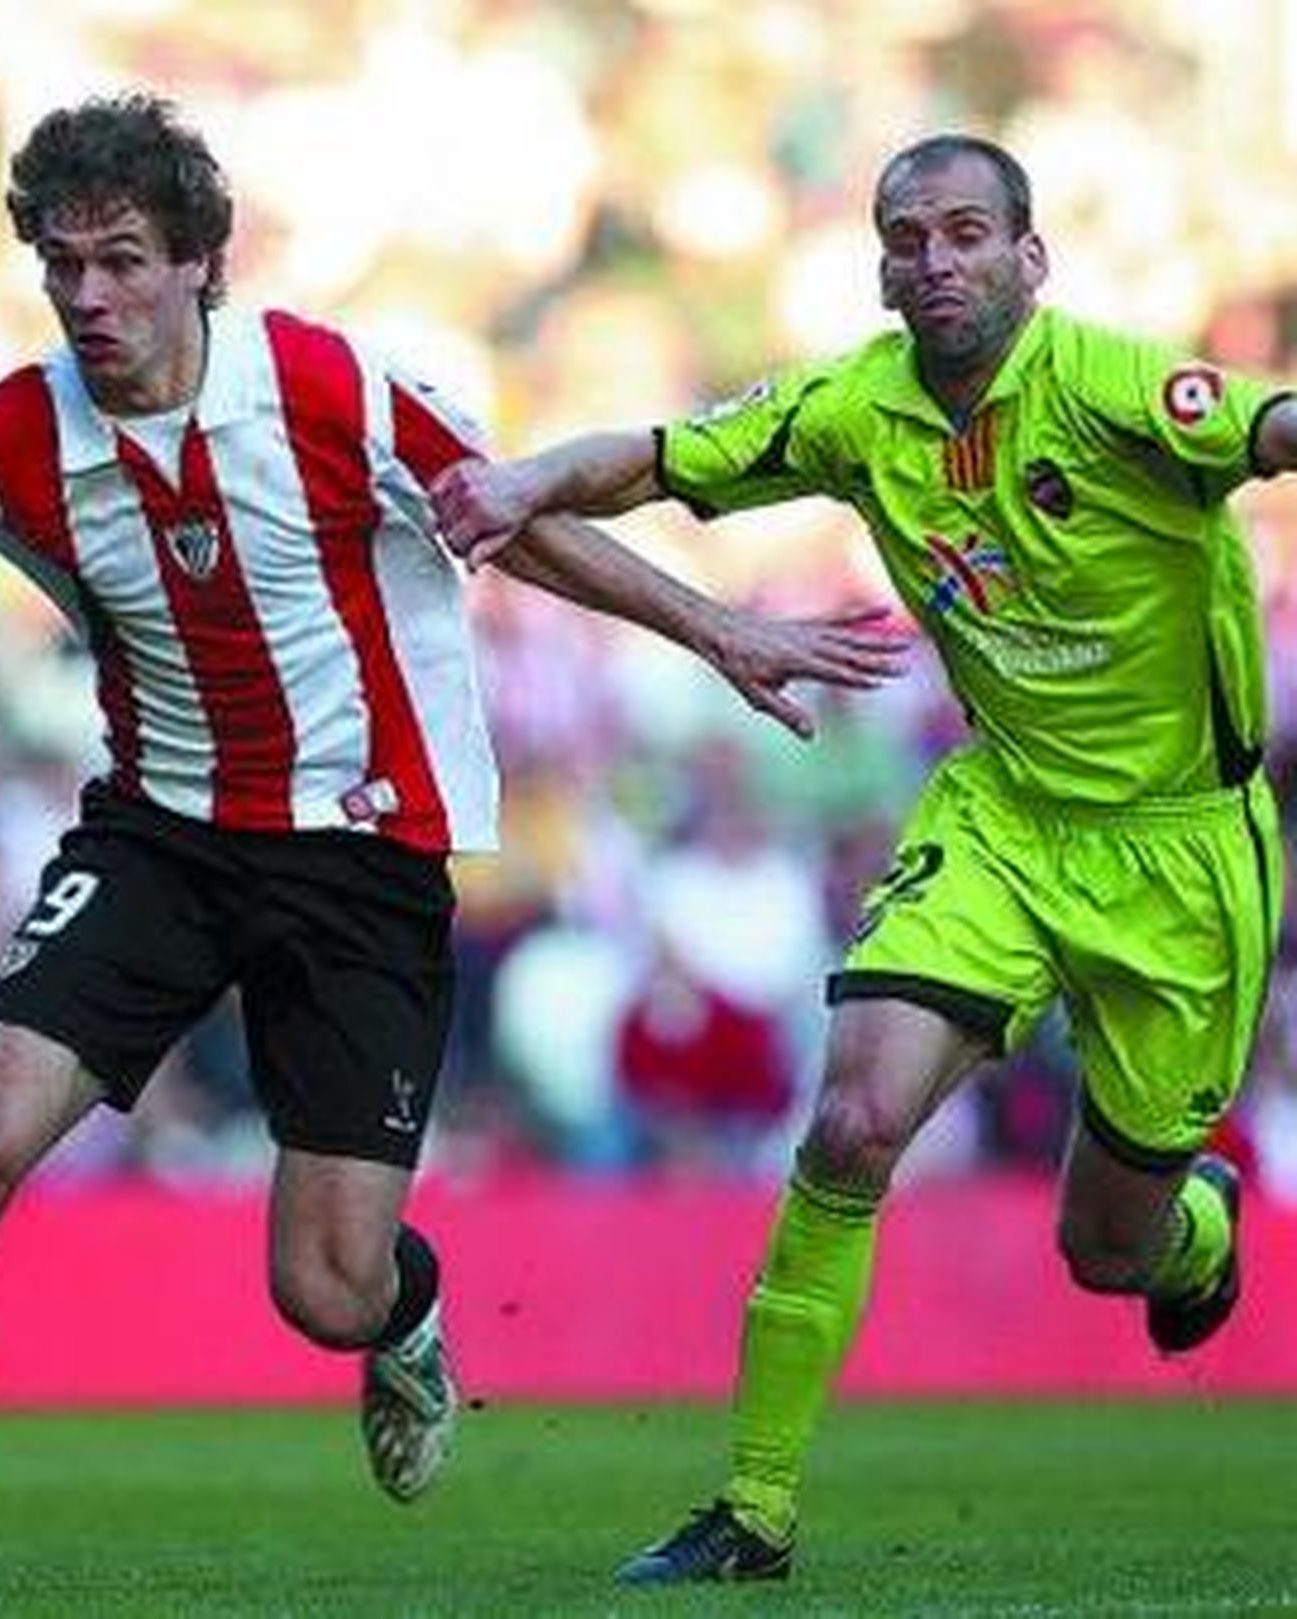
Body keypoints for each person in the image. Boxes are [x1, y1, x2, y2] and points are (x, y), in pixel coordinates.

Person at [0, 94, 903, 1608]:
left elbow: (517, 520)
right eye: (61, 266)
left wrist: (720, 627)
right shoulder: (5, 436)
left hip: (362, 858)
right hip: (160, 840)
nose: (89, 298)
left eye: (123, 261)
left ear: (202, 260)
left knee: (325, 1289)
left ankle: (405, 1319)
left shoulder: (327, 389)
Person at [432, 131, 1295, 1586]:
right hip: (1004, 819)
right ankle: (754, 1509)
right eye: (909, 237)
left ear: (1031, 257)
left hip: (1181, 858)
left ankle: (1195, 1230)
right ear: (882, 265)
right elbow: (653, 459)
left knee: (1109, 1249)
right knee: (848, 1128)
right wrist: (520, 482)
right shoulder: (854, 408)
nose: (936, 260)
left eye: (968, 233)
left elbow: (1269, 431)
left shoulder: (1117, 388)